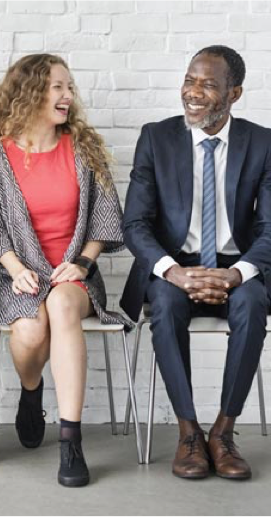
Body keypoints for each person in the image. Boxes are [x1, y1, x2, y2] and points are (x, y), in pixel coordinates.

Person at [0, 54, 129, 487]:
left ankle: (70, 440)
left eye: (69, 87)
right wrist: (14, 266)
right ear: (30, 92)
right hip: (16, 272)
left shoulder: (82, 149)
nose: (67, 96)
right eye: (57, 87)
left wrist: (81, 263)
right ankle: (30, 392)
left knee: (60, 305)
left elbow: (105, 217)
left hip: (72, 274)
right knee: (29, 332)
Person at [121, 45, 271, 481]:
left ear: (234, 93)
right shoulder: (156, 137)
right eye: (190, 80)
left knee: (251, 303)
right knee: (165, 306)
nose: (193, 92)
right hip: (175, 264)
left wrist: (236, 273)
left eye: (208, 84)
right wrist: (173, 271)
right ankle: (189, 431)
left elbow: (269, 227)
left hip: (237, 265)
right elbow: (135, 223)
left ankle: (223, 432)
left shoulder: (262, 143)